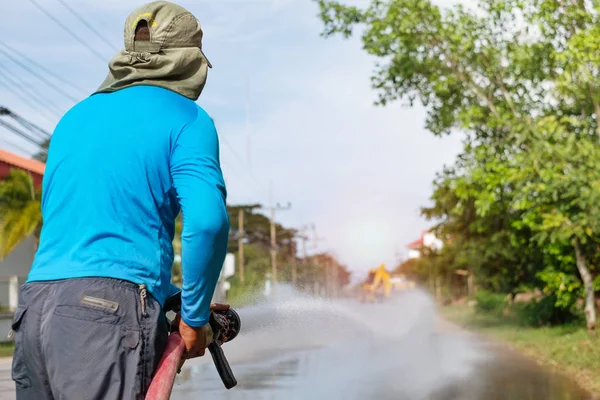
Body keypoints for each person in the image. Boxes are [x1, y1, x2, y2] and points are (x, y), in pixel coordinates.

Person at [10, 2, 230, 399]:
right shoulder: (188, 119)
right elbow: (208, 223)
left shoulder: (74, 118)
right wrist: (194, 319)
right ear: (189, 60)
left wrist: (169, 292)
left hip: (36, 307)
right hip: (105, 314)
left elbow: (91, 240)